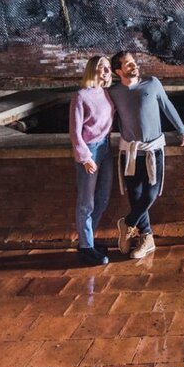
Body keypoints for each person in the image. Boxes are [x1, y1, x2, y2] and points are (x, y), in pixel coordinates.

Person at [109, 51, 184, 259]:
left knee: (150, 194)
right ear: (118, 71)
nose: (134, 66)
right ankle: (146, 238)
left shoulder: (152, 83)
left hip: (153, 149)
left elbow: (168, 107)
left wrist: (182, 130)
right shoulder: (114, 92)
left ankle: (128, 223)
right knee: (136, 196)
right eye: (128, 65)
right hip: (129, 152)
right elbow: (102, 116)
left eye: (133, 63)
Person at [69, 55, 115, 266]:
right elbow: (75, 132)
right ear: (92, 70)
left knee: (103, 197)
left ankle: (89, 239)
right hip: (91, 150)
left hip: (106, 148)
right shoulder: (80, 96)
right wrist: (85, 158)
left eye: (107, 67)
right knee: (86, 202)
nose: (106, 70)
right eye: (101, 67)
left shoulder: (105, 93)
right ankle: (85, 247)